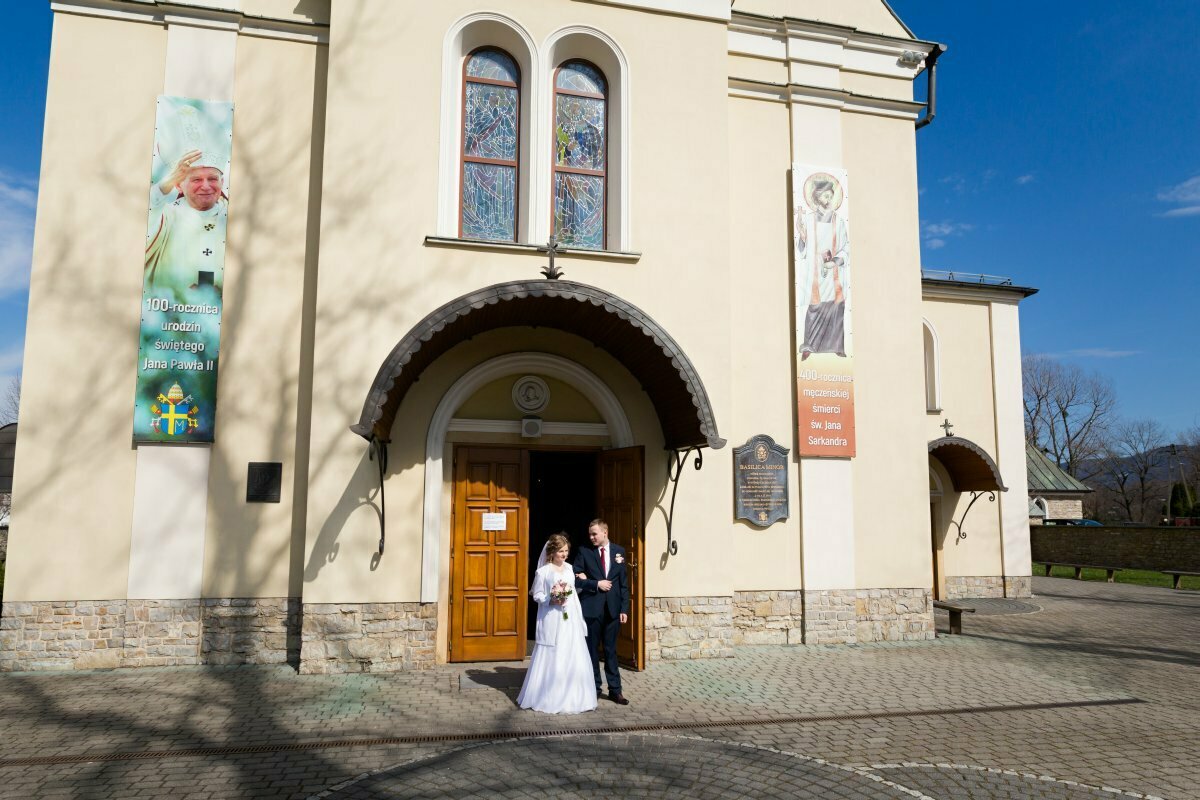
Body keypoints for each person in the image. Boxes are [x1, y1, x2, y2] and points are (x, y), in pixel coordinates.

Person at [516, 533, 597, 714]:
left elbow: (573, 591)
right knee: (554, 651)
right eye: (561, 551)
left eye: (566, 551)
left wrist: (572, 592)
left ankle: (575, 696)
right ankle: (547, 695)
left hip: (570, 617)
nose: (564, 555)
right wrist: (551, 600)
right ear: (552, 552)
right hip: (552, 616)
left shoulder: (569, 568)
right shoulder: (543, 572)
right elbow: (536, 594)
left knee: (572, 651)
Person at [145, 149, 228, 297]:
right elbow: (140, 221)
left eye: (213, 179)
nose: (206, 186)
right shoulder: (167, 215)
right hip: (170, 312)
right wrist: (167, 182)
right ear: (178, 185)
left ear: (222, 183)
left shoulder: (235, 218)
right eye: (196, 180)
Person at [574, 519, 630, 705]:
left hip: (613, 609)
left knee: (611, 651)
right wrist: (595, 583)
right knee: (592, 651)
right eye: (590, 534)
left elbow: (623, 583)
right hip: (592, 608)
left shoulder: (619, 551)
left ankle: (615, 690)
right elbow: (575, 579)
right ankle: (594, 688)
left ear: (605, 532)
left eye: (594, 534)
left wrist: (624, 608)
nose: (591, 537)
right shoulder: (584, 552)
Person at [796, 175, 849, 360]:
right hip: (816, 272)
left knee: (837, 307)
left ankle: (837, 346)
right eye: (825, 196)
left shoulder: (839, 222)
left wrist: (835, 261)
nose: (828, 200)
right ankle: (809, 345)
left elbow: (846, 247)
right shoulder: (809, 220)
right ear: (817, 197)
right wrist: (802, 237)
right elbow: (802, 248)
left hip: (833, 271)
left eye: (830, 196)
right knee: (815, 308)